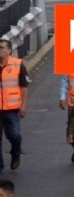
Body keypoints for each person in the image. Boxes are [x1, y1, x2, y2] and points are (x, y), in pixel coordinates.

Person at [0, 41, 28, 173]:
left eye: (1, 47)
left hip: (12, 109)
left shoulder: (18, 64)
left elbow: (24, 86)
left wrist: (24, 105)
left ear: (9, 50)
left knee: (15, 136)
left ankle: (16, 153)